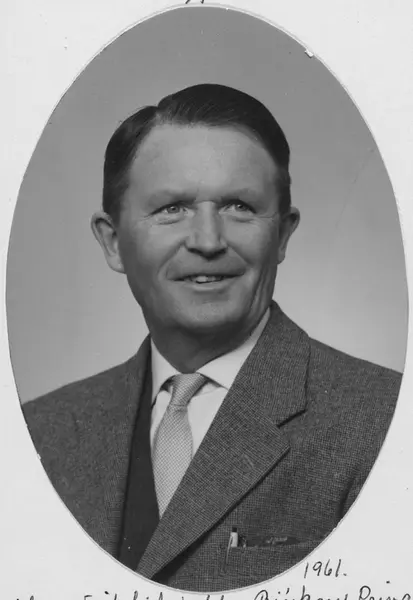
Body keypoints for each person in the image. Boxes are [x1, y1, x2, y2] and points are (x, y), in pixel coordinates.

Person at [23, 83, 402, 592]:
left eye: (239, 206)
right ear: (113, 242)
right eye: (172, 208)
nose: (207, 240)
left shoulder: (387, 424)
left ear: (283, 234)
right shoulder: (37, 435)